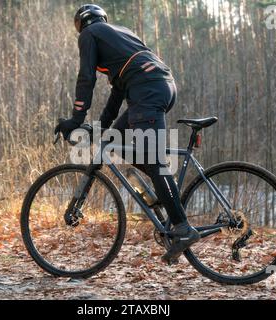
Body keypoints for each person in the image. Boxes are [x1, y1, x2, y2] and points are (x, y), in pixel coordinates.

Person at [55, 4, 199, 263]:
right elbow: (117, 93)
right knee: (111, 140)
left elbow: (86, 78)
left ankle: (182, 228)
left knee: (154, 162)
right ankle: (161, 193)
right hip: (159, 87)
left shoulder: (89, 35)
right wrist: (101, 127)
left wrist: (77, 118)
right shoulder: (120, 35)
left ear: (81, 24)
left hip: (147, 91)